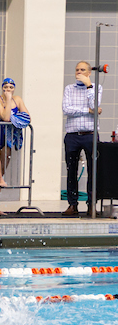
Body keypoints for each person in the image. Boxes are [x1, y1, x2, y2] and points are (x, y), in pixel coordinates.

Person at [62, 60, 102, 217]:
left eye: (82, 70)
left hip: (90, 134)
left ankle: (91, 204)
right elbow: (67, 109)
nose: (79, 72)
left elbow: (96, 104)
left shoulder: (96, 88)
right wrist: (88, 110)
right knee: (71, 170)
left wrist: (89, 86)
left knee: (94, 170)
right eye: (77, 69)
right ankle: (73, 204)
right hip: (73, 134)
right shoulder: (69, 89)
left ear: (89, 73)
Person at [0, 77, 31, 216]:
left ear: (14, 89)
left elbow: (27, 117)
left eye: (11, 88)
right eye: (6, 87)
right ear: (2, 88)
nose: (8, 90)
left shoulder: (17, 99)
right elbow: (5, 118)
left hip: (8, 138)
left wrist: (15, 114)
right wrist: (7, 101)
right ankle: (0, 179)